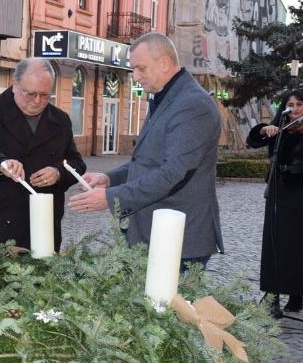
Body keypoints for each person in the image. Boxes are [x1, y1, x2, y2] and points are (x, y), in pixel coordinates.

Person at [67, 32, 223, 271]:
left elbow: (174, 173)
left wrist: (111, 198)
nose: (135, 77)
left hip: (179, 239)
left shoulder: (192, 104)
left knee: (165, 308)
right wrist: (109, 178)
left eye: (140, 68)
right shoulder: (166, 97)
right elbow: (149, 161)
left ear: (164, 63)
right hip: (154, 232)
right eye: (133, 70)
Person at [0, 58, 86, 249]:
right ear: (15, 84)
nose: (37, 101)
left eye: (45, 95)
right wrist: (0, 163)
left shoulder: (60, 119)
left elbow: (76, 163)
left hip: (44, 225)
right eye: (30, 93)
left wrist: (58, 172)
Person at [247, 89, 303, 316]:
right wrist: (264, 129)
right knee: (273, 241)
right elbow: (252, 142)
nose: (294, 108)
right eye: (290, 104)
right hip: (278, 188)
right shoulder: (280, 127)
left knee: (298, 242)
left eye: (299, 104)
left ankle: (296, 293)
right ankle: (272, 295)